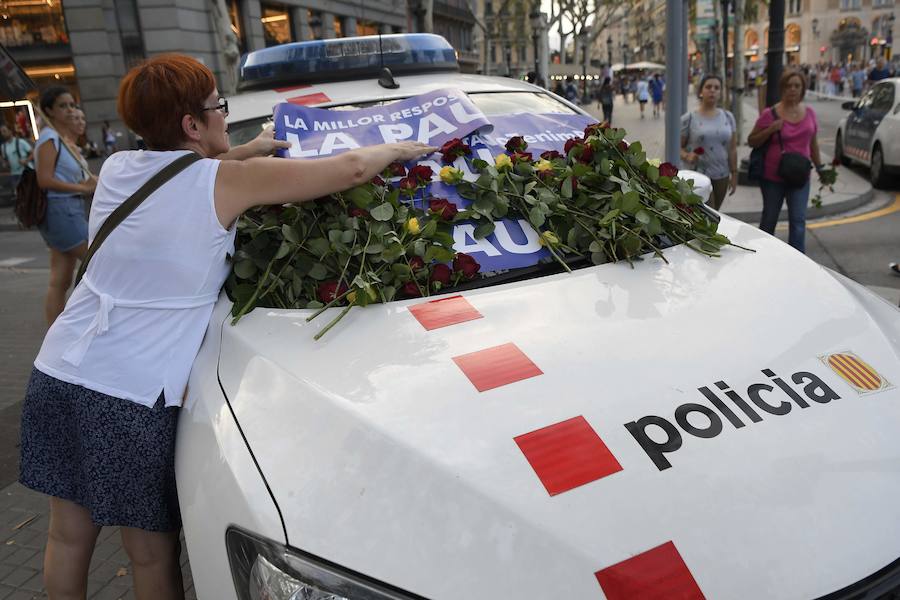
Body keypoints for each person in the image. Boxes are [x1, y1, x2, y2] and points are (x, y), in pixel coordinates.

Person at [18, 53, 434, 600]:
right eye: (218, 107)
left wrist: (246, 148)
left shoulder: (119, 168)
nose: (223, 115)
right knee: (149, 555)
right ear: (192, 124)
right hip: (130, 394)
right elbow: (353, 169)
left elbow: (178, 179)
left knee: (67, 539)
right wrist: (400, 147)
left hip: (59, 371)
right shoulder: (229, 184)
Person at [33, 86, 97, 326]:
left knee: (60, 279)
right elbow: (45, 180)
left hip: (68, 210)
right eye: (63, 106)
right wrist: (83, 189)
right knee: (98, 262)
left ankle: (54, 334)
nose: (70, 110)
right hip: (60, 212)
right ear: (49, 110)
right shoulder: (49, 139)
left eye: (72, 104)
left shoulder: (62, 140)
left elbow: (81, 179)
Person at [747, 70, 824, 254]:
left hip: (800, 176)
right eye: (789, 86)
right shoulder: (770, 114)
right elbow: (752, 140)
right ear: (782, 88)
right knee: (770, 219)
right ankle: (764, 257)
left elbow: (813, 143)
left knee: (798, 221)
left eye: (797, 86)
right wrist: (770, 130)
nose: (793, 89)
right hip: (773, 177)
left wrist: (821, 169)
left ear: (803, 89)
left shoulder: (810, 113)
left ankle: (798, 263)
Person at [680, 74, 737, 211]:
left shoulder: (728, 117)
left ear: (721, 92)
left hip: (721, 175)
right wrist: (687, 156)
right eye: (708, 87)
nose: (712, 90)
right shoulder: (689, 118)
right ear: (701, 92)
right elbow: (678, 147)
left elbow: (732, 148)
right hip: (698, 176)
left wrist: (734, 174)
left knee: (716, 212)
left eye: (717, 88)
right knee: (707, 215)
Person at [0, 123, 34, 190]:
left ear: (10, 131)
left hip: (26, 172)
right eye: (1, 132)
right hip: (14, 175)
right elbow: (6, 161)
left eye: (4, 131)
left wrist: (26, 160)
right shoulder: (3, 147)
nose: (3, 133)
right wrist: (5, 163)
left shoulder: (20, 142)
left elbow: (33, 153)